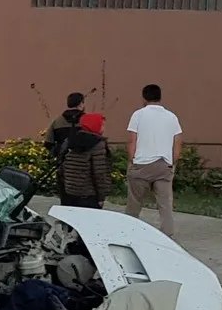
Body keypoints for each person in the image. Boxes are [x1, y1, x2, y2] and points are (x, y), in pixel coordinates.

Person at [125, 84, 182, 237]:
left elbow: (132, 140)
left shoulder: (138, 115)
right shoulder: (172, 117)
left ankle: (129, 231)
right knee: (165, 203)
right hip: (164, 164)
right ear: (160, 97)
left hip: (142, 164)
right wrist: (172, 163)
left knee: (135, 202)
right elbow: (177, 142)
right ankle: (167, 232)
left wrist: (132, 161)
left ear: (144, 98)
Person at [57, 112, 111, 209]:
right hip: (89, 195)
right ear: (95, 125)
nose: (104, 128)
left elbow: (61, 165)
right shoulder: (98, 145)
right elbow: (100, 173)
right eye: (102, 125)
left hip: (69, 192)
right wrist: (101, 197)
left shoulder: (70, 141)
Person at [46, 92, 86, 158]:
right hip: (84, 161)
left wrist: (57, 153)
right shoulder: (89, 121)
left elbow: (48, 143)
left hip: (63, 160)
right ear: (81, 104)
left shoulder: (57, 121)